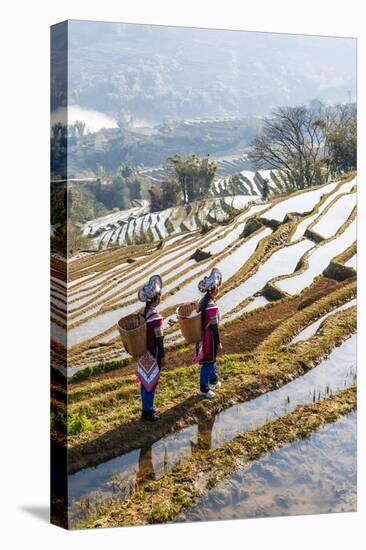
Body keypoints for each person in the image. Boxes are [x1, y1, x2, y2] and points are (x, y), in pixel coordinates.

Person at [137, 275, 165, 421]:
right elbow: (159, 340)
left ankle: (145, 410)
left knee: (144, 381)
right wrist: (162, 357)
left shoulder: (141, 312)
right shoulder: (156, 318)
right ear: (156, 299)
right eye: (159, 296)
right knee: (152, 382)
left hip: (142, 353)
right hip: (153, 354)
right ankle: (148, 412)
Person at [196, 268, 223, 398]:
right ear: (213, 290)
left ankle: (213, 380)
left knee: (211, 361)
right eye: (217, 287)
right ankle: (204, 389)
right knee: (208, 363)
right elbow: (214, 328)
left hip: (204, 337)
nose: (219, 290)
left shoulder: (204, 302)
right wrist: (218, 343)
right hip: (209, 339)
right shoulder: (211, 306)